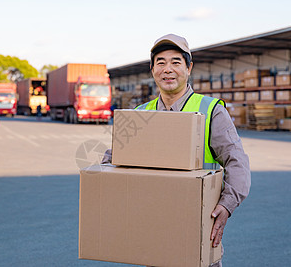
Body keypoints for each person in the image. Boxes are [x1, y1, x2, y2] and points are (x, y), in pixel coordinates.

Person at [103, 34, 251, 267]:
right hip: (152, 232)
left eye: (175, 62)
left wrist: (226, 205)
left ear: (189, 68)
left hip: (198, 231)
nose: (168, 69)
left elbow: (237, 161)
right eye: (160, 62)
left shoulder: (211, 110)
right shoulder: (141, 114)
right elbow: (114, 159)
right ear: (152, 70)